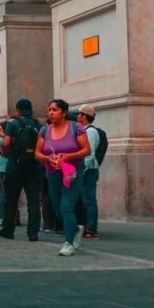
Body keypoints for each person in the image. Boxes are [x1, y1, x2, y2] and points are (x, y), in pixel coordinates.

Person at [35, 99, 91, 256]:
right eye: (49, 109)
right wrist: (48, 159)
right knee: (58, 209)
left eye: (55, 109)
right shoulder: (44, 131)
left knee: (66, 206)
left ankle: (68, 243)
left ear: (64, 112)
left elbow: (87, 150)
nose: (51, 112)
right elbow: (37, 153)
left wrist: (68, 156)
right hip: (52, 172)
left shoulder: (76, 128)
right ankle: (76, 229)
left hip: (72, 173)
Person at [0, 99, 45, 242]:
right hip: (34, 167)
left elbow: (5, 143)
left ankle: (8, 230)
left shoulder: (12, 124)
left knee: (11, 200)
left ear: (18, 110)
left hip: (14, 167)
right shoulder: (39, 125)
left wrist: (5, 154)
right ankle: (33, 232)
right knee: (34, 202)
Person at [76, 105, 102, 239]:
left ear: (84, 116)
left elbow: (89, 153)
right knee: (85, 199)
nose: (76, 117)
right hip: (86, 170)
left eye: (78, 114)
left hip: (89, 170)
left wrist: (81, 169)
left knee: (89, 200)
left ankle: (92, 229)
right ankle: (87, 226)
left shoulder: (90, 132)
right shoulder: (84, 130)